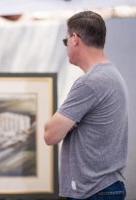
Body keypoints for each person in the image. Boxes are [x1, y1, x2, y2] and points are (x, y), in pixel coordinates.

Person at [44, 11, 128, 199]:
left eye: (66, 41)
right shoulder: (111, 74)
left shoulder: (90, 82)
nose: (66, 47)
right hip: (105, 188)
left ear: (75, 39)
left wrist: (59, 124)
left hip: (92, 191)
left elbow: (50, 134)